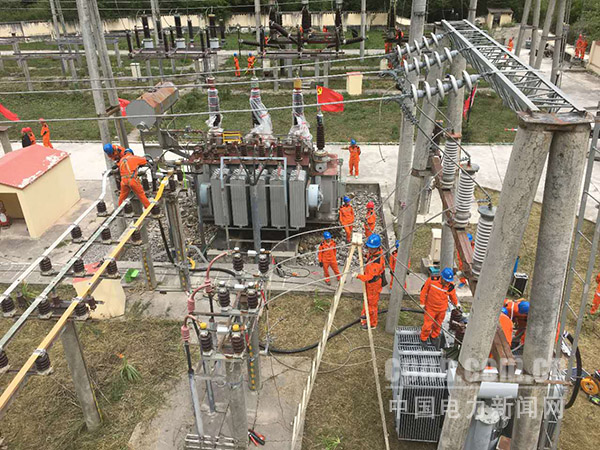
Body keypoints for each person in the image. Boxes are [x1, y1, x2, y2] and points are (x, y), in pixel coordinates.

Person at [420, 267, 459, 348]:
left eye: (448, 281)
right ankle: (423, 338)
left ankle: (434, 336)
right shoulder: (432, 280)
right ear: (442, 277)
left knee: (438, 325)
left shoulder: (450, 286)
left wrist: (456, 304)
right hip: (430, 308)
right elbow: (424, 291)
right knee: (427, 325)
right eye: (446, 281)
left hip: (442, 309)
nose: (447, 282)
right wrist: (422, 303)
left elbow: (453, 296)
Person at [355, 234, 386, 329]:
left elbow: (369, 277)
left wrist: (358, 276)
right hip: (370, 284)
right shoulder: (374, 253)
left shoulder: (377, 262)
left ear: (377, 247)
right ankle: (365, 316)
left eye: (372, 248)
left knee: (372, 305)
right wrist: (363, 255)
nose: (370, 250)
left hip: (374, 285)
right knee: (367, 301)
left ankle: (372, 323)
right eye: (369, 247)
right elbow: (369, 256)